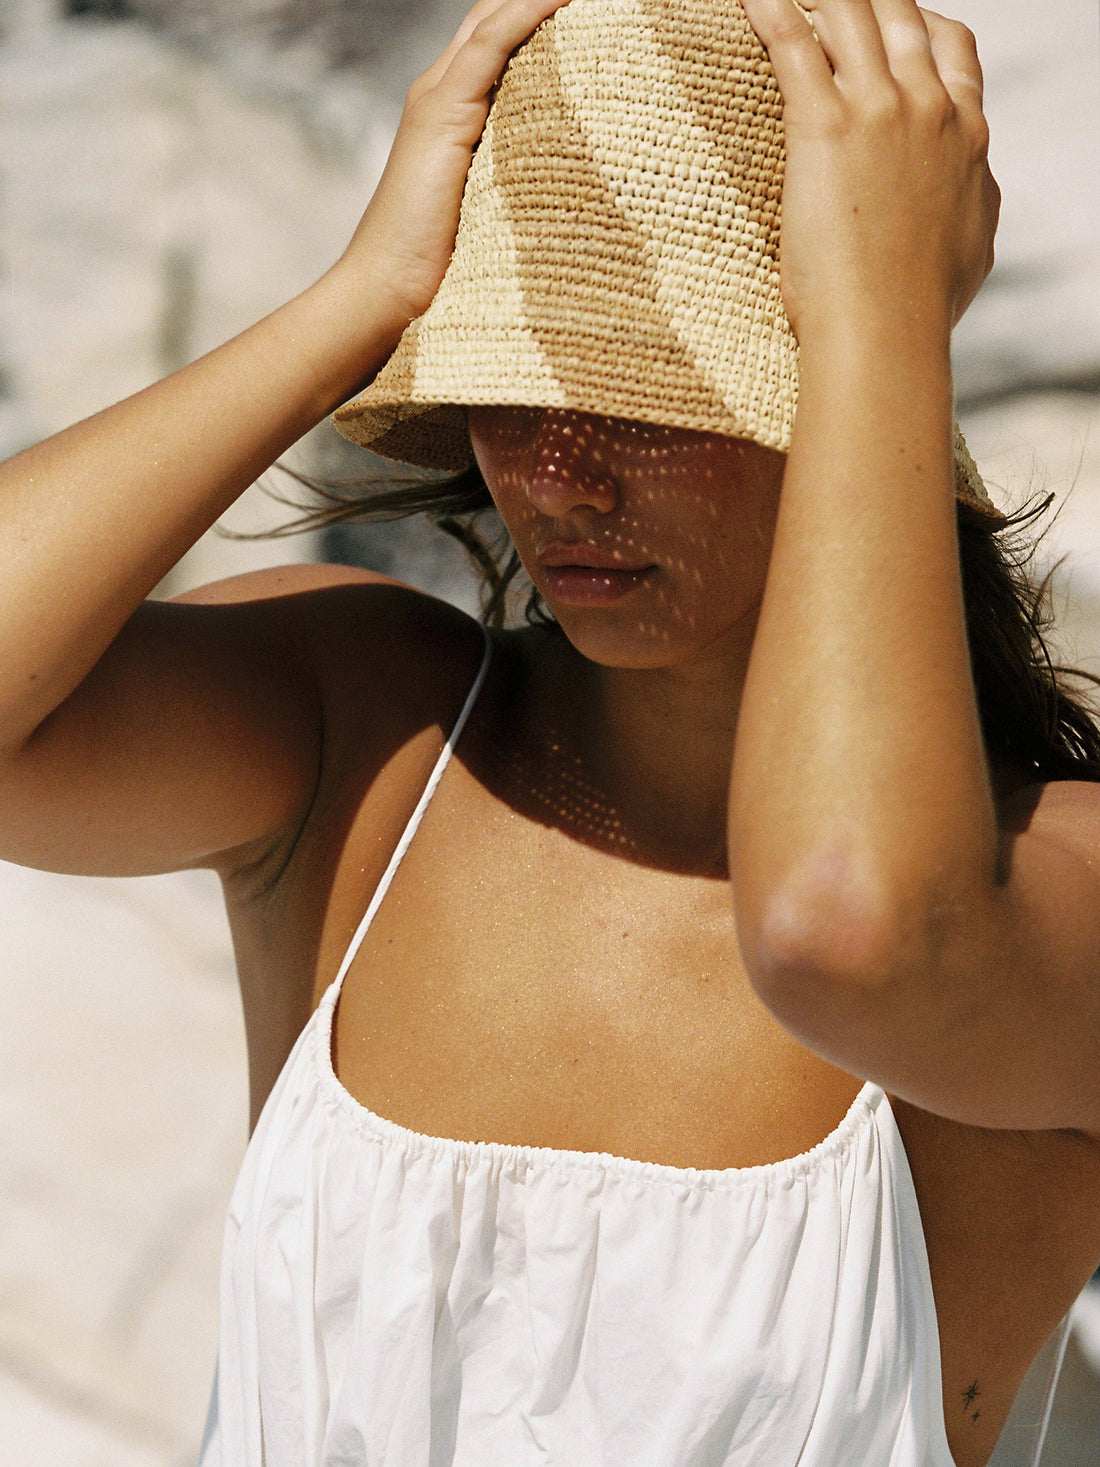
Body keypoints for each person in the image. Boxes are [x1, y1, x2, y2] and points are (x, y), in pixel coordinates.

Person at [2, 0, 1099, 1463]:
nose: (559, 476)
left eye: (646, 395)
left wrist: (883, 315)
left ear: (831, 383)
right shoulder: (370, 734)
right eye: (509, 382)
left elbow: (846, 933)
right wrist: (365, 295)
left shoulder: (1047, 893)